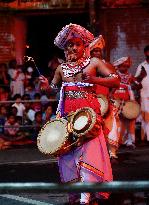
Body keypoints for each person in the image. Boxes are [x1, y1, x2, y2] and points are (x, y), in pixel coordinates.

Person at [39, 23, 120, 204]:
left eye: (77, 44)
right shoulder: (61, 69)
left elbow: (115, 80)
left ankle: (86, 197)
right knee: (69, 158)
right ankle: (79, 193)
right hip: (67, 118)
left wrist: (94, 79)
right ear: (65, 48)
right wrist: (45, 87)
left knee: (89, 156)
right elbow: (53, 90)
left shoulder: (94, 63)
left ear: (84, 45)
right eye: (69, 45)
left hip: (88, 118)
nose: (73, 48)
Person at [90, 36, 120, 160]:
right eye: (94, 51)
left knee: (111, 124)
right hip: (91, 99)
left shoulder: (107, 65)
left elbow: (116, 81)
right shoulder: (86, 66)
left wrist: (112, 94)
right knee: (92, 126)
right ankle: (93, 153)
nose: (97, 53)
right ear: (90, 52)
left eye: (99, 51)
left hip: (106, 99)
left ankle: (112, 152)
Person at [112, 56, 138, 148]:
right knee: (117, 120)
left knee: (129, 120)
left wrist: (137, 82)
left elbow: (137, 85)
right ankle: (117, 141)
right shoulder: (115, 75)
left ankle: (130, 141)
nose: (125, 68)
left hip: (127, 101)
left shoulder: (130, 76)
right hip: (117, 100)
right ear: (118, 67)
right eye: (122, 66)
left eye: (127, 66)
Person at [135, 45, 149, 142]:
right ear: (145, 53)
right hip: (144, 95)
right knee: (146, 117)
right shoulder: (141, 65)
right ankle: (146, 138)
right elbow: (136, 82)